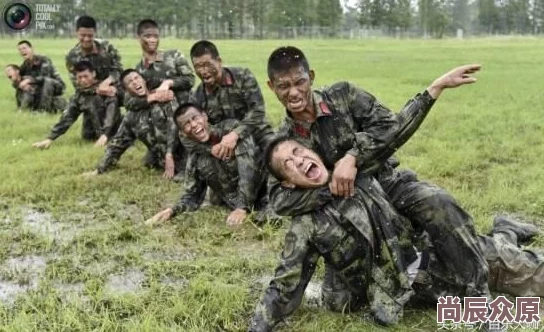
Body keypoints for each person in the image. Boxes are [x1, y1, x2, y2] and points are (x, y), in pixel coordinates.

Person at [265, 46, 492, 304]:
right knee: (343, 301)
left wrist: (353, 158)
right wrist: (334, 186)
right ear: (271, 87)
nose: (293, 92)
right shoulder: (284, 145)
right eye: (283, 86)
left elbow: (389, 126)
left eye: (299, 82)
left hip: (388, 185)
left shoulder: (343, 96)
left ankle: (479, 297)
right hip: (349, 214)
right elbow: (278, 200)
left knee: (439, 203)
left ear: (311, 76)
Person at [249, 137, 543, 331]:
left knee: (530, 278)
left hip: (448, 251)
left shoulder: (363, 173)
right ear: (287, 184)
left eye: (299, 151)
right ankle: (505, 230)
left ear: (313, 151)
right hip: (421, 286)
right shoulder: (306, 225)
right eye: (288, 164)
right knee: (461, 306)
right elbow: (284, 283)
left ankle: (504, 233)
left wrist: (433, 90)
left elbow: (397, 147)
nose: (299, 160)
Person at [146, 103, 270, 227]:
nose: (193, 125)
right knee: (214, 199)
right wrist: (172, 211)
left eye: (195, 118)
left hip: (264, 195)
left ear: (205, 116)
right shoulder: (195, 157)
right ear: (183, 133)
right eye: (186, 124)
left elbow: (249, 169)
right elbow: (192, 194)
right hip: (232, 203)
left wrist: (242, 208)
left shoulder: (231, 132)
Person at [82, 69, 183, 177]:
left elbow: (176, 126)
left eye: (137, 78)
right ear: (126, 90)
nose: (135, 82)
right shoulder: (131, 117)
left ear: (144, 81)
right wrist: (99, 170)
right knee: (149, 162)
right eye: (130, 82)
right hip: (162, 160)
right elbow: (117, 144)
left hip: (182, 153)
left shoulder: (163, 97)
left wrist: (169, 153)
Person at [32, 61, 122, 149]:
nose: (83, 80)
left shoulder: (106, 90)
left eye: (86, 76)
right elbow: (67, 118)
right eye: (80, 77)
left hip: (114, 130)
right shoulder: (79, 95)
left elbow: (112, 113)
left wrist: (105, 134)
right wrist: (50, 138)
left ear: (93, 74)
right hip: (91, 134)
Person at [124, 19, 195, 110]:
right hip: (159, 118)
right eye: (148, 36)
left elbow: (190, 79)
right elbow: (128, 102)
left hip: (185, 112)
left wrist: (169, 83)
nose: (153, 40)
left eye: (156, 36)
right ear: (138, 38)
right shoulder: (138, 71)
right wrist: (152, 97)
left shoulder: (174, 56)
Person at [65, 15, 123, 104]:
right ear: (76, 33)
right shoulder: (72, 56)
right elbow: (78, 85)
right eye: (83, 35)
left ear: (95, 33)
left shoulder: (107, 47)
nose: (86, 39)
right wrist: (98, 90)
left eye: (90, 35)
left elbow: (119, 70)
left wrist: (107, 82)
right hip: (89, 91)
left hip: (111, 86)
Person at [14, 40, 67, 112]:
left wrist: (29, 80)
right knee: (23, 84)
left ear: (31, 48)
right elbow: (18, 79)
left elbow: (45, 77)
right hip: (41, 88)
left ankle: (42, 110)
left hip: (56, 86)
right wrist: (17, 81)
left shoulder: (43, 59)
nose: (22, 51)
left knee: (47, 81)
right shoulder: (25, 64)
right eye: (20, 49)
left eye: (24, 48)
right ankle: (23, 107)